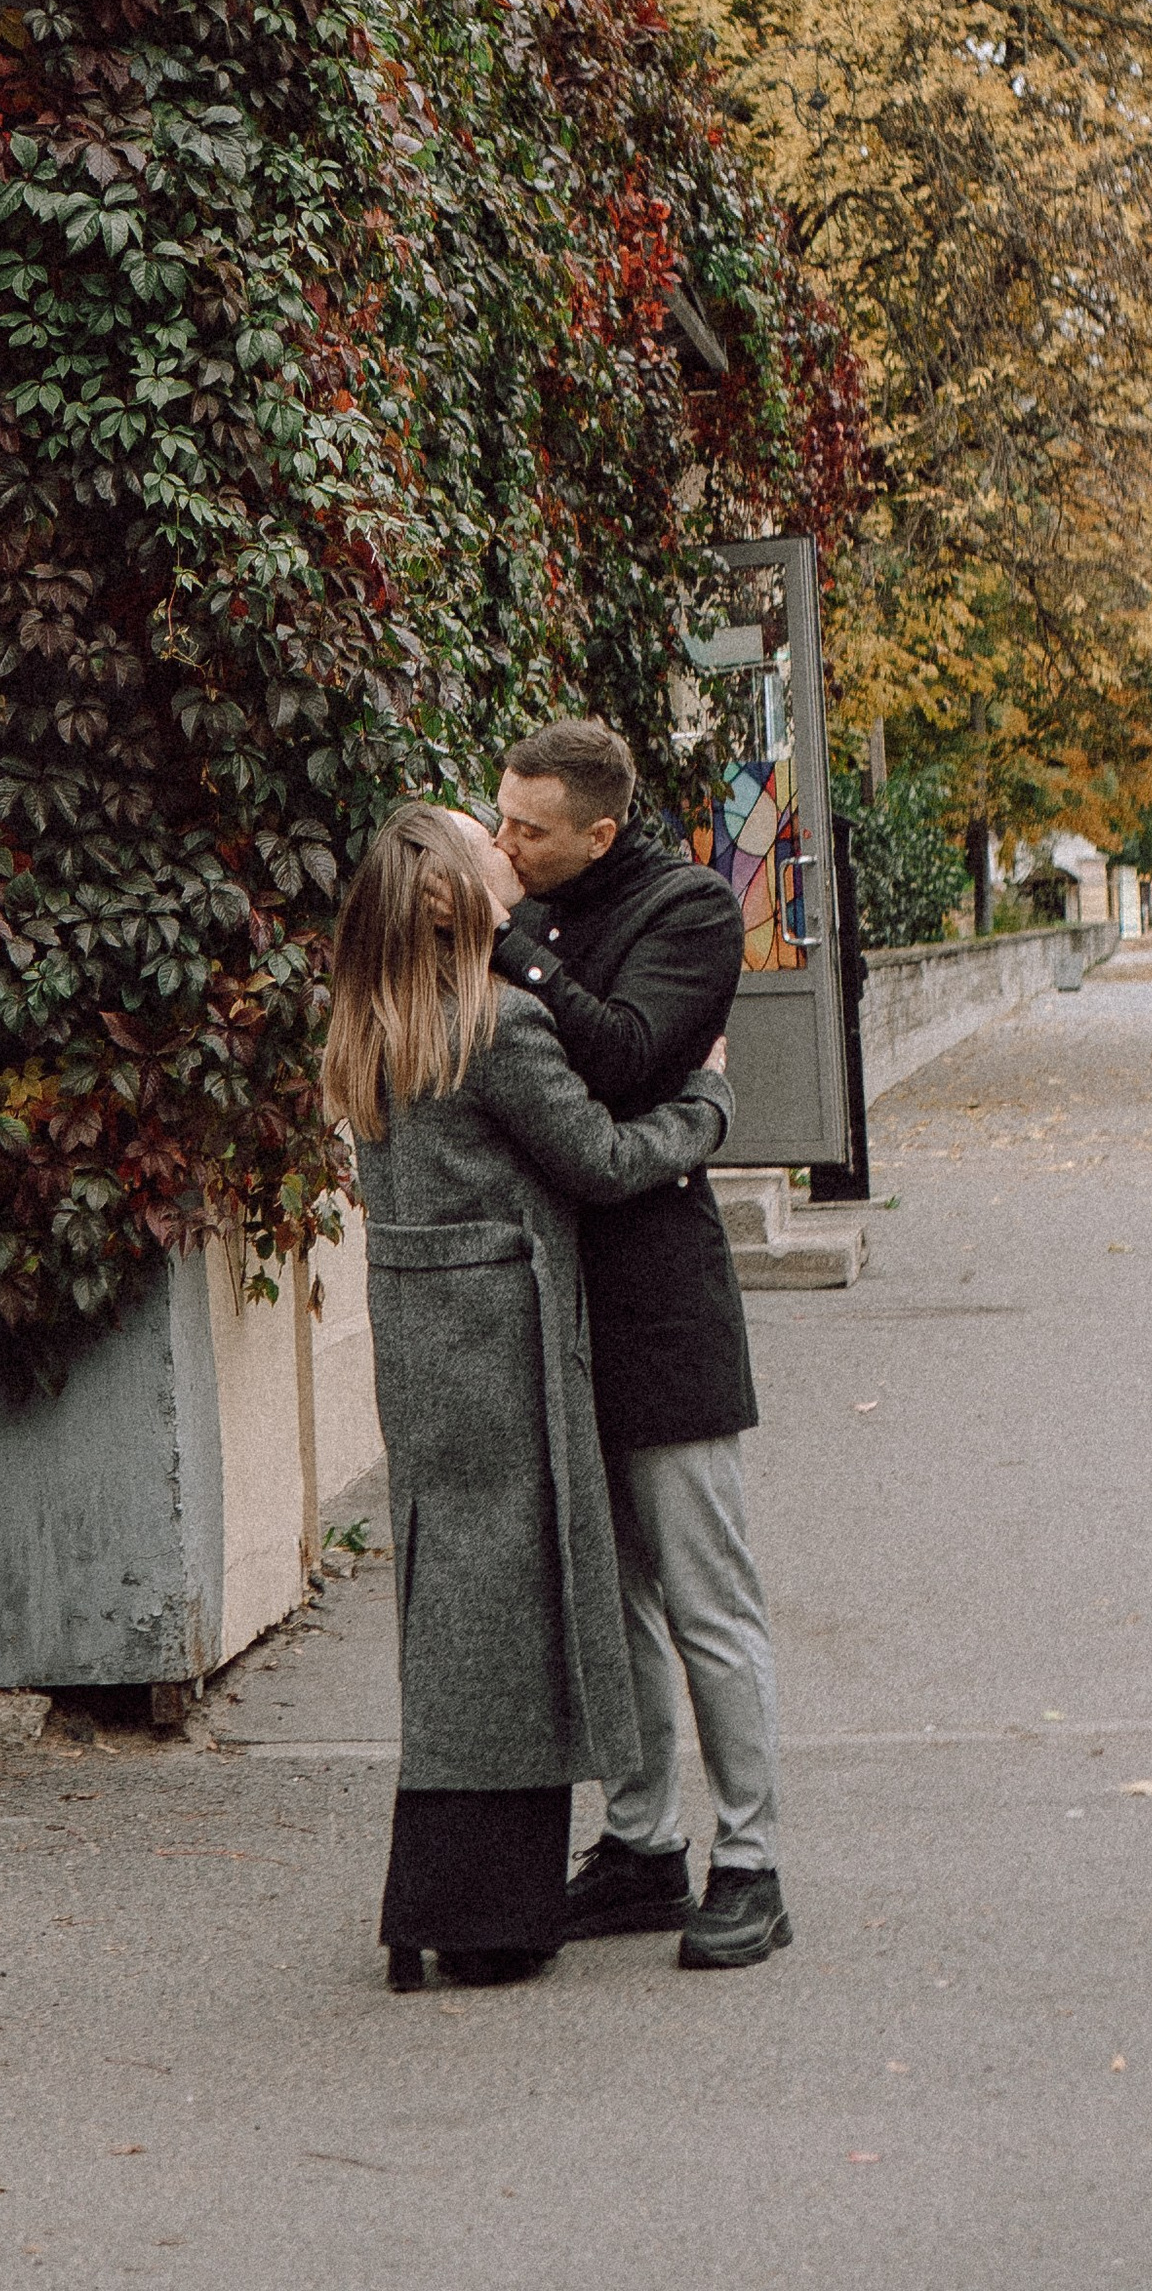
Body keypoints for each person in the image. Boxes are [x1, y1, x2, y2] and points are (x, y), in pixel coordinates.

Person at [328, 797, 734, 1993]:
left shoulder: (370, 1024)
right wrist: (705, 1108)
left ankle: (436, 1900)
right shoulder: (498, 1025)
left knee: (451, 1602)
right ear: (454, 897)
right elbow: (602, 1164)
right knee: (517, 1607)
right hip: (506, 1339)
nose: (504, 854)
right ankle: (485, 1911)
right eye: (482, 844)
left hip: (422, 1342)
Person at [490, 717, 789, 1970]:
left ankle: (753, 1865)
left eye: (530, 831)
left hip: (662, 1305)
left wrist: (514, 958)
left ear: (599, 832)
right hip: (558, 1311)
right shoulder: (544, 905)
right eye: (498, 818)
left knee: (706, 1601)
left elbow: (620, 1059)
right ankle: (639, 1847)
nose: (504, 845)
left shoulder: (689, 914)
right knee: (609, 1604)